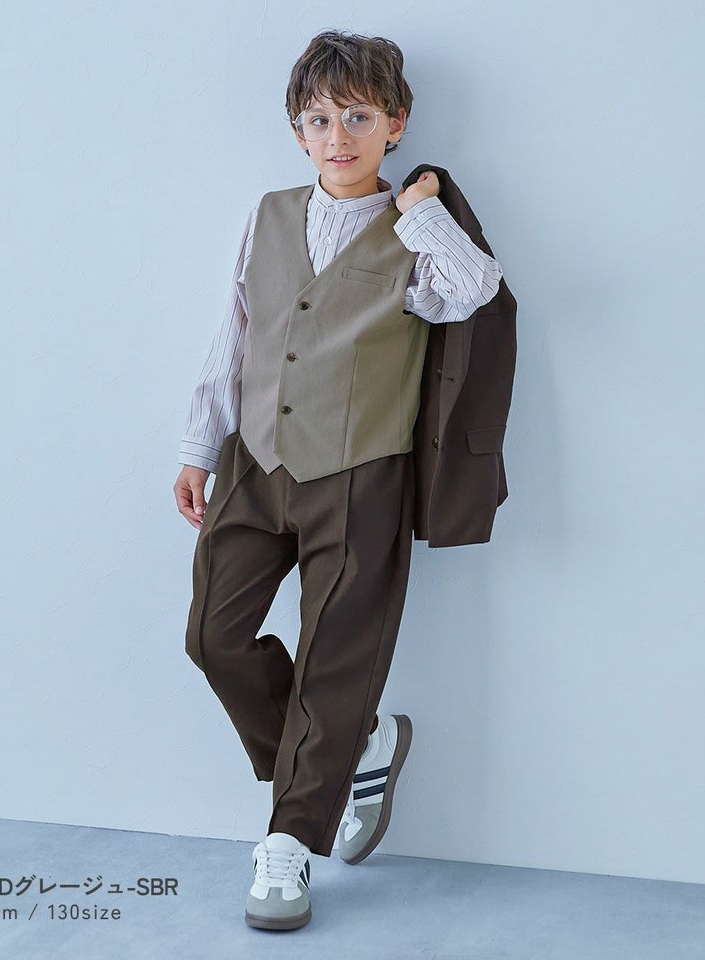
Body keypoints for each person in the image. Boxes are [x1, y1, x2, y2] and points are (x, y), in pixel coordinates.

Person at [172, 29, 505, 931]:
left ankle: (288, 845)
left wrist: (422, 209)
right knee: (213, 637)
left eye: (358, 117)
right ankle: (354, 746)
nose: (337, 136)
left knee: (335, 660)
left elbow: (474, 289)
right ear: (297, 132)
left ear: (395, 123)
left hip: (360, 473)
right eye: (318, 120)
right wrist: (199, 446)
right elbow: (235, 332)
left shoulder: (416, 230)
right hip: (256, 463)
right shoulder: (269, 213)